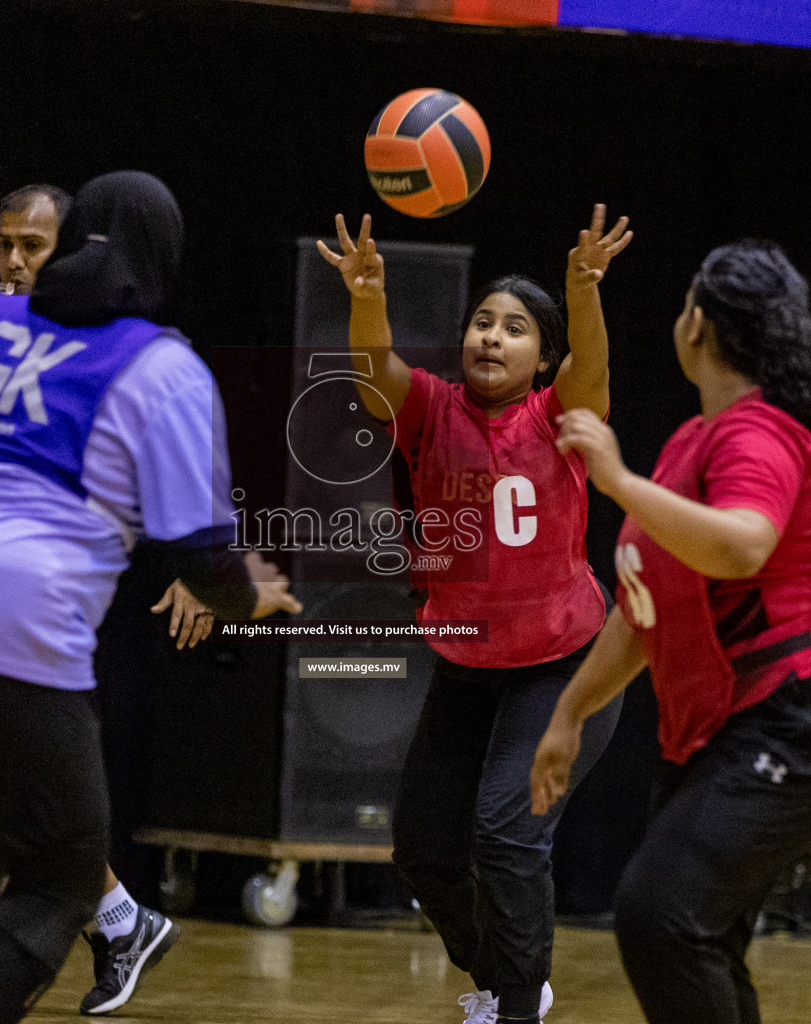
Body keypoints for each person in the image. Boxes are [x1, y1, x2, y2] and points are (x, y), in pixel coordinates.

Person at [0, 171, 299, 1024]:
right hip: (11, 614)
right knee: (58, 878)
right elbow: (200, 560)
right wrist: (247, 593)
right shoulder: (162, 363)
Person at [531, 240, 811, 1024]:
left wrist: (617, 481)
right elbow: (646, 612)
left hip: (804, 715)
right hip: (736, 722)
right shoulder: (690, 444)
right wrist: (569, 712)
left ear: (696, 324)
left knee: (658, 914)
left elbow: (744, 543)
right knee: (695, 933)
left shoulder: (759, 435)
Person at [316, 206, 632, 1024]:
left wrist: (583, 289)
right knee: (422, 850)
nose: (492, 337)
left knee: (505, 832)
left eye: (516, 328)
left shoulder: (562, 413)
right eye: (482, 322)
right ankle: (506, 979)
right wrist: (366, 295)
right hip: (467, 666)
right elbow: (371, 367)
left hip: (563, 666)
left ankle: (517, 1010)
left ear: (544, 356)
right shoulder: (428, 409)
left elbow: (592, 365)